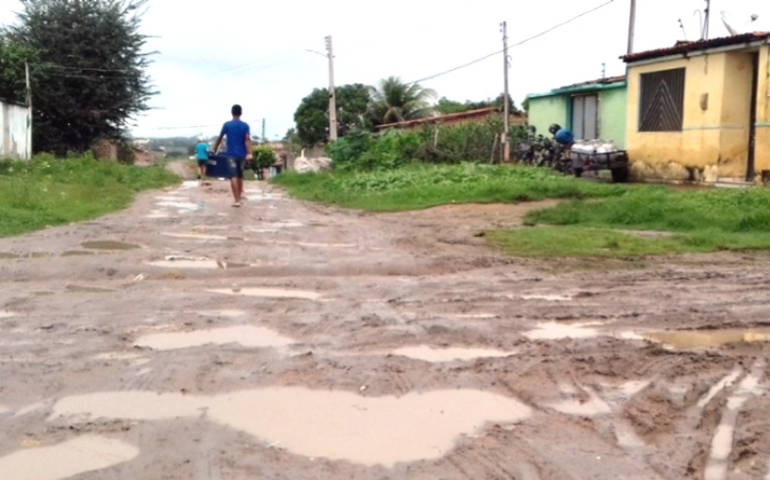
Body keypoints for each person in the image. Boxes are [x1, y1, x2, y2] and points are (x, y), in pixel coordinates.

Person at [213, 105, 252, 207]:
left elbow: (220, 138)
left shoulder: (227, 125)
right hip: (242, 155)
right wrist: (249, 153)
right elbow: (247, 140)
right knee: (240, 175)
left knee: (233, 176)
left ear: (232, 112)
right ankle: (240, 197)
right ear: (241, 113)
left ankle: (237, 200)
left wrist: (215, 149)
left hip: (231, 155)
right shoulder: (245, 126)